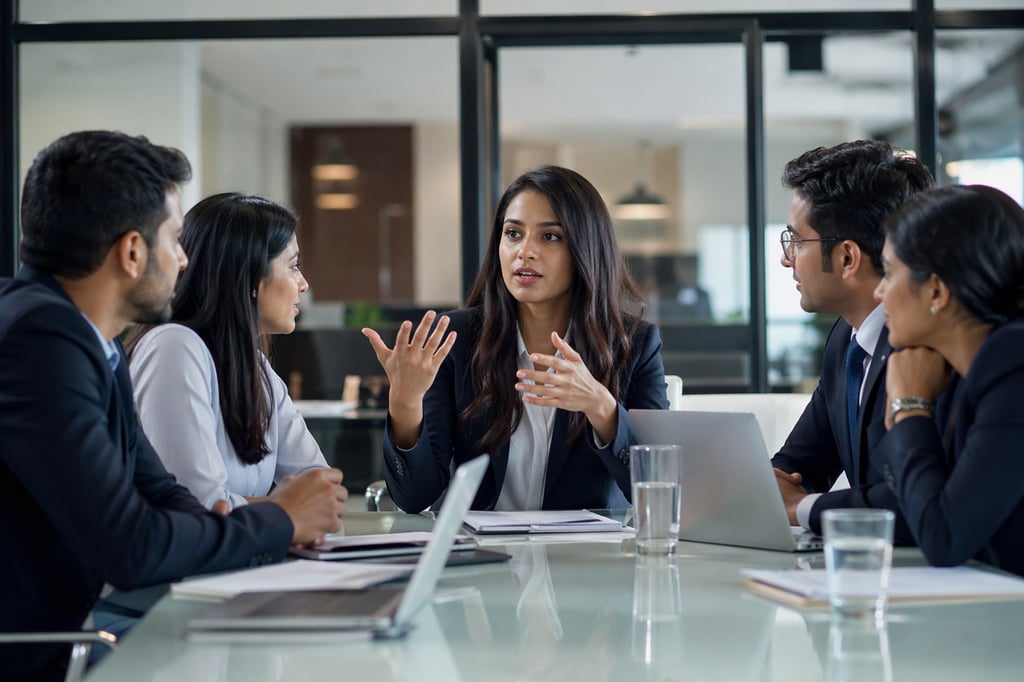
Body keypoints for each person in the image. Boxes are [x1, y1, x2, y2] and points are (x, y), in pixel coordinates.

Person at [0, 131, 347, 681]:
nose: (184, 259)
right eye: (174, 238)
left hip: (78, 638)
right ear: (133, 252)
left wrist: (255, 520)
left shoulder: (93, 340)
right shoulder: (39, 341)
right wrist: (277, 519)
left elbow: (161, 491)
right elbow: (131, 544)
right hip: (50, 652)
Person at [363, 165, 668, 513]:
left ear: (587, 248)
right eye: (513, 233)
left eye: (549, 236)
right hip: (480, 555)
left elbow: (657, 489)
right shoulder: (456, 340)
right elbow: (415, 498)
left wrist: (602, 407)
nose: (525, 251)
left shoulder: (634, 344)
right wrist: (404, 404)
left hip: (582, 557)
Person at [770, 140, 933, 541]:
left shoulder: (929, 347)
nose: (786, 259)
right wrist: (766, 488)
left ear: (847, 258)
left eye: (796, 240)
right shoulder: (846, 338)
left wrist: (799, 507)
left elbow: (908, 501)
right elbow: (797, 467)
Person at [125, 193, 330, 510]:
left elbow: (321, 491)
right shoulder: (174, 347)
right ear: (248, 275)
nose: (303, 284)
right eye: (293, 267)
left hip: (251, 555)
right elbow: (199, 505)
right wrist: (289, 511)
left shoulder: (254, 365)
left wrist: (295, 510)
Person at [875, 185, 1024, 576]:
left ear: (937, 291)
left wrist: (910, 407)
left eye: (889, 273)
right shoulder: (959, 367)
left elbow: (944, 537)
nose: (879, 292)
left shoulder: (1013, 362)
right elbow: (922, 504)